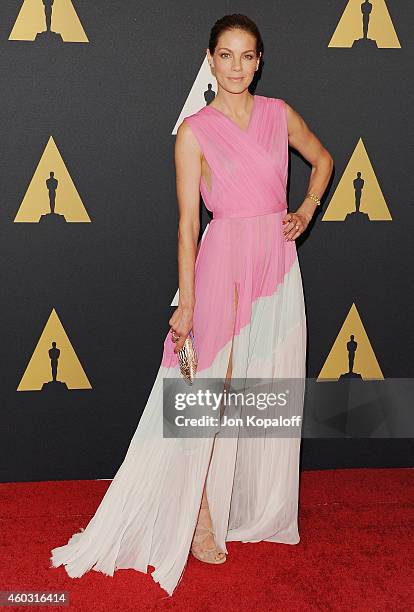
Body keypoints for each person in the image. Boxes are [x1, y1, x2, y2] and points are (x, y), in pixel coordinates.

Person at [50, 13, 333, 598]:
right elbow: (186, 225)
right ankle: (200, 511)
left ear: (259, 62)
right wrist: (187, 301)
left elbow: (323, 160)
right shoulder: (194, 131)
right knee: (210, 391)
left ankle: (252, 505)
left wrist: (305, 212)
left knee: (262, 386)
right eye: (224, 55)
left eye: (246, 55)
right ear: (210, 60)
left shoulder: (279, 115)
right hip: (222, 260)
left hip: (277, 266)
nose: (235, 66)